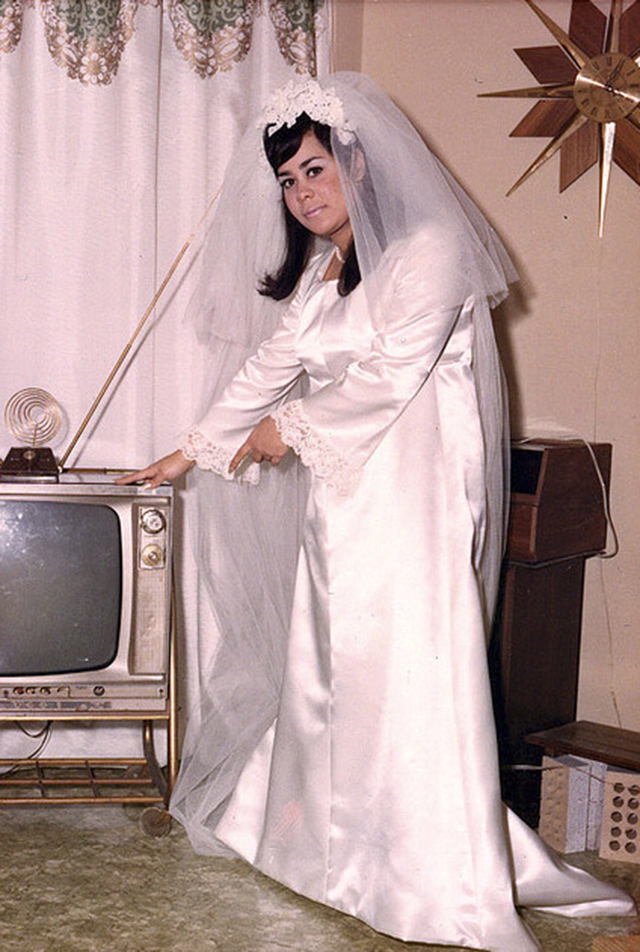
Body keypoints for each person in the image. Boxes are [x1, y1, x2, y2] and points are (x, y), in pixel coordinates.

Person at [120, 73, 635, 951]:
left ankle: (433, 880)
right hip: (346, 502)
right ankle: (334, 857)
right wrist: (191, 450)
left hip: (414, 498)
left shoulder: (432, 248)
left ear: (357, 162)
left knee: (407, 672)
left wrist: (287, 430)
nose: (302, 193)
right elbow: (271, 366)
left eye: (314, 169)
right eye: (288, 180)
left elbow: (395, 371)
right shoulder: (326, 273)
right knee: (334, 672)